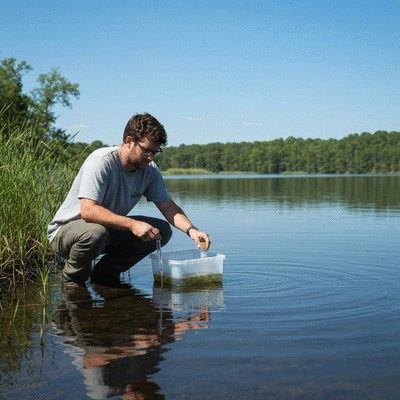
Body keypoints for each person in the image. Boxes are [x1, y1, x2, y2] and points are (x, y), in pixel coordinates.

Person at [47, 113, 210, 287]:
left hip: (104, 230)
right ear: (129, 141)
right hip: (66, 233)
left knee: (161, 231)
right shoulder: (101, 161)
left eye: (155, 152)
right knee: (95, 234)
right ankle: (73, 281)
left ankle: (105, 273)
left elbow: (168, 206)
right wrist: (133, 224)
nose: (151, 157)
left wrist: (192, 230)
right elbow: (88, 211)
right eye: (146, 150)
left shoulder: (149, 171)